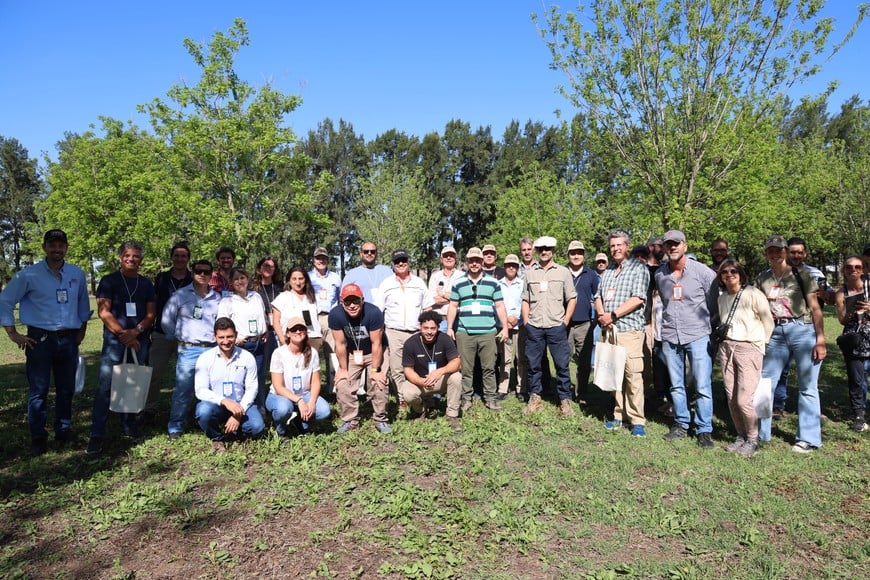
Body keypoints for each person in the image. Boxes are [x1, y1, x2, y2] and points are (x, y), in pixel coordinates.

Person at [0, 229, 91, 456]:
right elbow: (5, 300)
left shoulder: (77, 274)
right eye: (52, 245)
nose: (57, 249)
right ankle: (38, 438)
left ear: (66, 248)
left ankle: (63, 430)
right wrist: (13, 333)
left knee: (66, 389)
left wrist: (81, 332)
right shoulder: (28, 275)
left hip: (68, 340)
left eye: (61, 245)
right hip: (39, 340)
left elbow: (82, 306)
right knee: (38, 391)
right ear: (45, 248)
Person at [756, 235, 827, 453]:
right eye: (771, 251)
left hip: (802, 331)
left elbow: (815, 308)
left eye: (779, 250)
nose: (775, 254)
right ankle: (760, 433)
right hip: (775, 333)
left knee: (807, 386)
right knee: (765, 384)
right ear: (766, 253)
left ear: (786, 251)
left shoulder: (802, 274)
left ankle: (808, 438)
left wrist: (820, 340)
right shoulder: (763, 278)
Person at [87, 240, 157, 455]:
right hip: (114, 342)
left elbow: (151, 314)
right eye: (127, 255)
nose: (131, 259)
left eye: (136, 256)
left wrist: (135, 332)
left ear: (141, 260)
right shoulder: (109, 281)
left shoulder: (146, 284)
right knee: (106, 387)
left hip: (139, 340)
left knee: (132, 382)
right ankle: (97, 434)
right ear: (120, 257)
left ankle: (129, 425)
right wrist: (123, 334)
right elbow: (104, 312)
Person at [656, 230, 720, 448]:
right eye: (668, 245)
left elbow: (713, 306)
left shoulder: (703, 273)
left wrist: (708, 329)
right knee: (676, 385)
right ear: (664, 248)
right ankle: (682, 423)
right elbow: (664, 303)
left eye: (676, 244)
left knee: (702, 385)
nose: (672, 248)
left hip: (698, 335)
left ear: (684, 245)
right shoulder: (660, 274)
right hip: (670, 335)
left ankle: (704, 430)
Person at [594, 229, 650, 436]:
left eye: (619, 245)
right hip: (610, 330)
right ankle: (619, 415)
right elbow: (597, 295)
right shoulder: (608, 271)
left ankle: (637, 421)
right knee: (615, 374)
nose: (616, 249)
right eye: (612, 246)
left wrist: (613, 315)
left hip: (629, 331)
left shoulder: (638, 268)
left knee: (633, 375)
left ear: (627, 246)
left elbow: (638, 298)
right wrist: (602, 314)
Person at [716, 260, 774, 457]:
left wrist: (760, 346)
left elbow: (768, 322)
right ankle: (740, 436)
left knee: (743, 399)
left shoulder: (753, 294)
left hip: (749, 348)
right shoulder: (722, 298)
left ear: (740, 273)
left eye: (733, 271)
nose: (729, 274)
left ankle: (752, 438)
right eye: (724, 272)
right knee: (731, 397)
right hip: (727, 347)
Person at [772, 236, 835, 417]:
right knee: (780, 370)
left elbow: (829, 299)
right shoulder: (776, 273)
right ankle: (778, 405)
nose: (797, 255)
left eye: (800, 252)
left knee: (807, 373)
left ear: (805, 253)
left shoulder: (814, 273)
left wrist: (824, 294)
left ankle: (810, 411)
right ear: (786, 252)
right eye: (793, 252)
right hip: (780, 329)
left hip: (807, 327)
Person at [161, 259, 222, 439]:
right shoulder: (180, 295)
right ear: (192, 272)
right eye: (198, 271)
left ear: (211, 274)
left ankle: (207, 421)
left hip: (212, 349)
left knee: (212, 388)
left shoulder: (217, 298)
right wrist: (179, 340)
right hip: (188, 349)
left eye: (206, 271)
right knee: (183, 390)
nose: (202, 274)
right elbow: (166, 321)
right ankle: (176, 426)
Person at [447, 247, 509, 412]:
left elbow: (500, 306)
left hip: (488, 332)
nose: (474, 263)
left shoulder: (493, 282)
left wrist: (505, 327)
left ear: (482, 262)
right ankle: (466, 398)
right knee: (466, 369)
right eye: (471, 260)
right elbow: (453, 306)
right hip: (464, 332)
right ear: (467, 262)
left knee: (489, 367)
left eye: (477, 260)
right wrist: (449, 328)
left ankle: (490, 398)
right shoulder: (458, 283)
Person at [522, 236, 577, 416]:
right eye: (541, 249)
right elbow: (525, 299)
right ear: (537, 251)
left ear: (553, 250)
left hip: (556, 326)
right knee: (533, 364)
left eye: (548, 249)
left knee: (562, 364)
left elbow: (572, 298)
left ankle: (565, 400)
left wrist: (565, 321)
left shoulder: (563, 272)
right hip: (535, 326)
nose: (544, 252)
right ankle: (535, 397)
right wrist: (526, 322)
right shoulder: (530, 273)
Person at [194, 317, 265, 452]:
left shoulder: (247, 357)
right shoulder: (205, 358)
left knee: (257, 427)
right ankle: (217, 438)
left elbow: (252, 388)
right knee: (203, 411)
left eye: (230, 337)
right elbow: (200, 390)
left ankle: (237, 433)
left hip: (241, 403)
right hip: (217, 404)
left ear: (236, 335)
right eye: (221, 337)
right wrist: (224, 401)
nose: (226, 341)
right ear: (214, 337)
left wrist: (238, 413)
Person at [329, 283, 391, 433]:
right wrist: (343, 369)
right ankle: (350, 419)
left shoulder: (373, 313)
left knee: (379, 382)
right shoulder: (335, 315)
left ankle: (380, 418)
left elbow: (377, 344)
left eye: (356, 301)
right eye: (347, 302)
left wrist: (375, 370)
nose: (352, 305)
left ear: (362, 300)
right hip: (352, 353)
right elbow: (340, 344)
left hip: (374, 351)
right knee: (343, 383)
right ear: (341, 302)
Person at [377, 249, 434, 410]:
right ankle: (403, 399)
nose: (401, 264)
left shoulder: (419, 283)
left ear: (408, 262)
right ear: (393, 265)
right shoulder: (386, 284)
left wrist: (426, 329)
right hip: (394, 331)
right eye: (397, 262)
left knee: (421, 365)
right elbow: (378, 310)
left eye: (403, 260)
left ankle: (425, 396)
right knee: (397, 368)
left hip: (417, 331)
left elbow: (427, 308)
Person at [146, 242, 192, 420]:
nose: (180, 259)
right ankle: (149, 408)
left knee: (186, 376)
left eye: (183, 256)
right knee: (154, 372)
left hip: (187, 336)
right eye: (177, 256)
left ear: (188, 259)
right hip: (162, 333)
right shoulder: (162, 278)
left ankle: (186, 409)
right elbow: (154, 303)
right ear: (171, 257)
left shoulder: (193, 279)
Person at [266, 316, 331, 438]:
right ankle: (281, 431)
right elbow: (278, 386)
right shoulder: (279, 353)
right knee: (283, 409)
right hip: (281, 395)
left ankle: (300, 423)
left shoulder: (313, 352)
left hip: (304, 393)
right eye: (294, 329)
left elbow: (316, 381)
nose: (298, 332)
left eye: (301, 329)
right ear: (288, 333)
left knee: (324, 411)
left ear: (306, 332)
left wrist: (311, 401)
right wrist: (299, 400)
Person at [402, 311, 462, 430]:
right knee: (407, 393)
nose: (429, 332)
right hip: (420, 381)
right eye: (426, 328)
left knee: (456, 377)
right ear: (420, 327)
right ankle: (421, 410)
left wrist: (440, 371)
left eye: (433, 328)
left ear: (438, 328)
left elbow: (457, 362)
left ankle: (452, 415)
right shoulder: (410, 343)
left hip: (440, 379)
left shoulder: (445, 339)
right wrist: (421, 382)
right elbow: (408, 370)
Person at [217, 267, 268, 406]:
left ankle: (259, 407)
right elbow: (222, 323)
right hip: (242, 345)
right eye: (236, 279)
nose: (240, 281)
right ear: (231, 283)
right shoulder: (227, 301)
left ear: (247, 279)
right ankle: (239, 408)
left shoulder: (256, 296)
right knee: (241, 379)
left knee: (258, 378)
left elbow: (262, 316)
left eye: (242, 278)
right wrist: (234, 338)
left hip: (259, 343)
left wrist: (265, 329)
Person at [834, 256, 870, 432]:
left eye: (857, 267)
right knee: (856, 377)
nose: (853, 270)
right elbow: (841, 320)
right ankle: (858, 415)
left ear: (863, 269)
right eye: (849, 267)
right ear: (844, 270)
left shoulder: (869, 287)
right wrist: (850, 313)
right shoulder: (841, 292)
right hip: (853, 336)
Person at [565, 240, 599, 405]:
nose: (576, 256)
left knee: (584, 362)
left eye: (579, 252)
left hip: (584, 324)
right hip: (564, 324)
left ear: (584, 255)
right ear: (568, 255)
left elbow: (598, 296)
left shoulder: (591, 274)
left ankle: (582, 394)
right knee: (562, 359)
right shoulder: (561, 272)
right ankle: (564, 392)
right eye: (573, 253)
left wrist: (597, 318)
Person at [309, 246, 341, 394]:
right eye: (318, 258)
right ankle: (310, 388)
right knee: (310, 354)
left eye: (323, 258)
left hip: (330, 317)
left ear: (327, 260)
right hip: (312, 318)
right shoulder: (308, 277)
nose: (320, 260)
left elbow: (340, 299)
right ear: (314, 260)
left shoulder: (335, 277)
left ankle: (332, 387)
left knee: (332, 353)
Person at [253, 256, 282, 405]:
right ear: (259, 268)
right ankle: (260, 404)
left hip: (279, 332)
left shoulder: (280, 287)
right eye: (265, 265)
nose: (268, 268)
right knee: (261, 370)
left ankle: (278, 400)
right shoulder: (253, 289)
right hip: (264, 333)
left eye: (272, 266)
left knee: (280, 368)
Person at [272, 266, 322, 350]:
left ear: (305, 280)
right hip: (292, 339)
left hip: (313, 338)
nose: (298, 282)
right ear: (289, 281)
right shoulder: (283, 297)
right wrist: (282, 339)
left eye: (301, 278)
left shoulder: (312, 297)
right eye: (294, 279)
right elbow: (275, 322)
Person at [498, 254, 525, 400]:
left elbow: (526, 303)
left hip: (519, 326)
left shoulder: (522, 284)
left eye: (514, 265)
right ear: (504, 267)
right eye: (508, 265)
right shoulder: (498, 284)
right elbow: (495, 304)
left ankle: (521, 388)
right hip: (504, 327)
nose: (511, 267)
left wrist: (517, 317)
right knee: (505, 358)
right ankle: (503, 388)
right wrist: (505, 321)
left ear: (517, 268)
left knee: (520, 358)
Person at [428, 246, 460, 333]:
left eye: (451, 255)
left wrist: (442, 294)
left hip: (459, 320)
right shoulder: (435, 276)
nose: (448, 258)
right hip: (440, 321)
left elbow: (463, 298)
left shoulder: (462, 276)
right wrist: (455, 298)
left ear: (455, 259)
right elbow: (433, 300)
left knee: (458, 346)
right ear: (441, 259)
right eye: (446, 256)